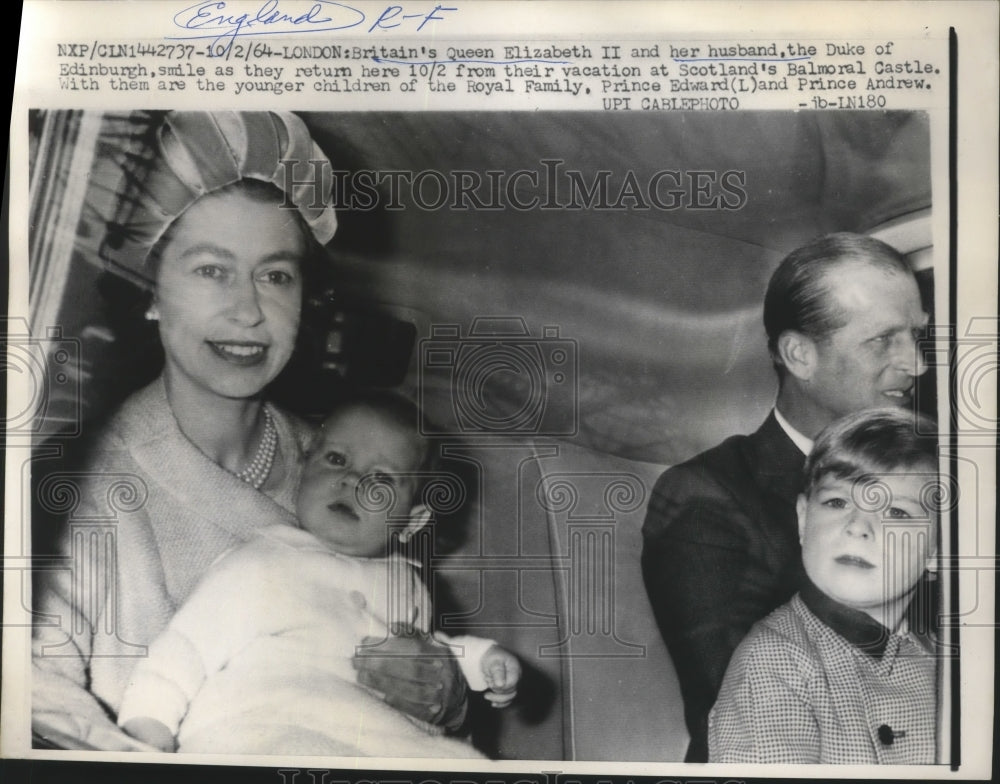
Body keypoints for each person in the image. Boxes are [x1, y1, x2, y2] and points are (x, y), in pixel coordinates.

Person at [31, 112, 467, 751]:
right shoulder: (77, 474)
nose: (248, 310)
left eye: (276, 275)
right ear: (151, 291)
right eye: (211, 269)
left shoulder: (345, 466)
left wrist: (447, 695)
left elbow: (395, 661)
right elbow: (33, 694)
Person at [641, 233, 930, 761]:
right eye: (883, 339)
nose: (916, 364)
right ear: (799, 354)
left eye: (916, 336)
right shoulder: (705, 495)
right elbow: (741, 701)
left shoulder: (933, 484)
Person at [114, 393, 521, 757]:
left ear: (412, 523)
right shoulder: (264, 560)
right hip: (271, 726)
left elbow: (428, 651)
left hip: (387, 742)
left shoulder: (409, 583)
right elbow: (189, 644)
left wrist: (483, 660)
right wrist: (149, 723)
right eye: (337, 459)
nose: (353, 480)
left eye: (382, 478)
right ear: (304, 470)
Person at [708, 408, 939, 763]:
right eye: (837, 502)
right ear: (803, 519)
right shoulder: (775, 662)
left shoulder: (948, 654)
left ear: (938, 551)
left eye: (897, 513)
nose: (858, 526)